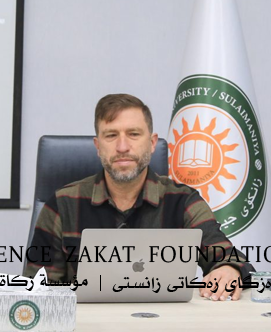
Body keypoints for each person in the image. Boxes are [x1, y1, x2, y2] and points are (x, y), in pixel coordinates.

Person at [25, 94, 254, 301]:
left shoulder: (183, 201)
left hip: (165, 324)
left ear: (152, 143)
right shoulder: (62, 204)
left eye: (133, 134)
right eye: (111, 135)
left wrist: (230, 269)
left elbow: (229, 257)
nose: (122, 147)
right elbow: (38, 292)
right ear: (98, 146)